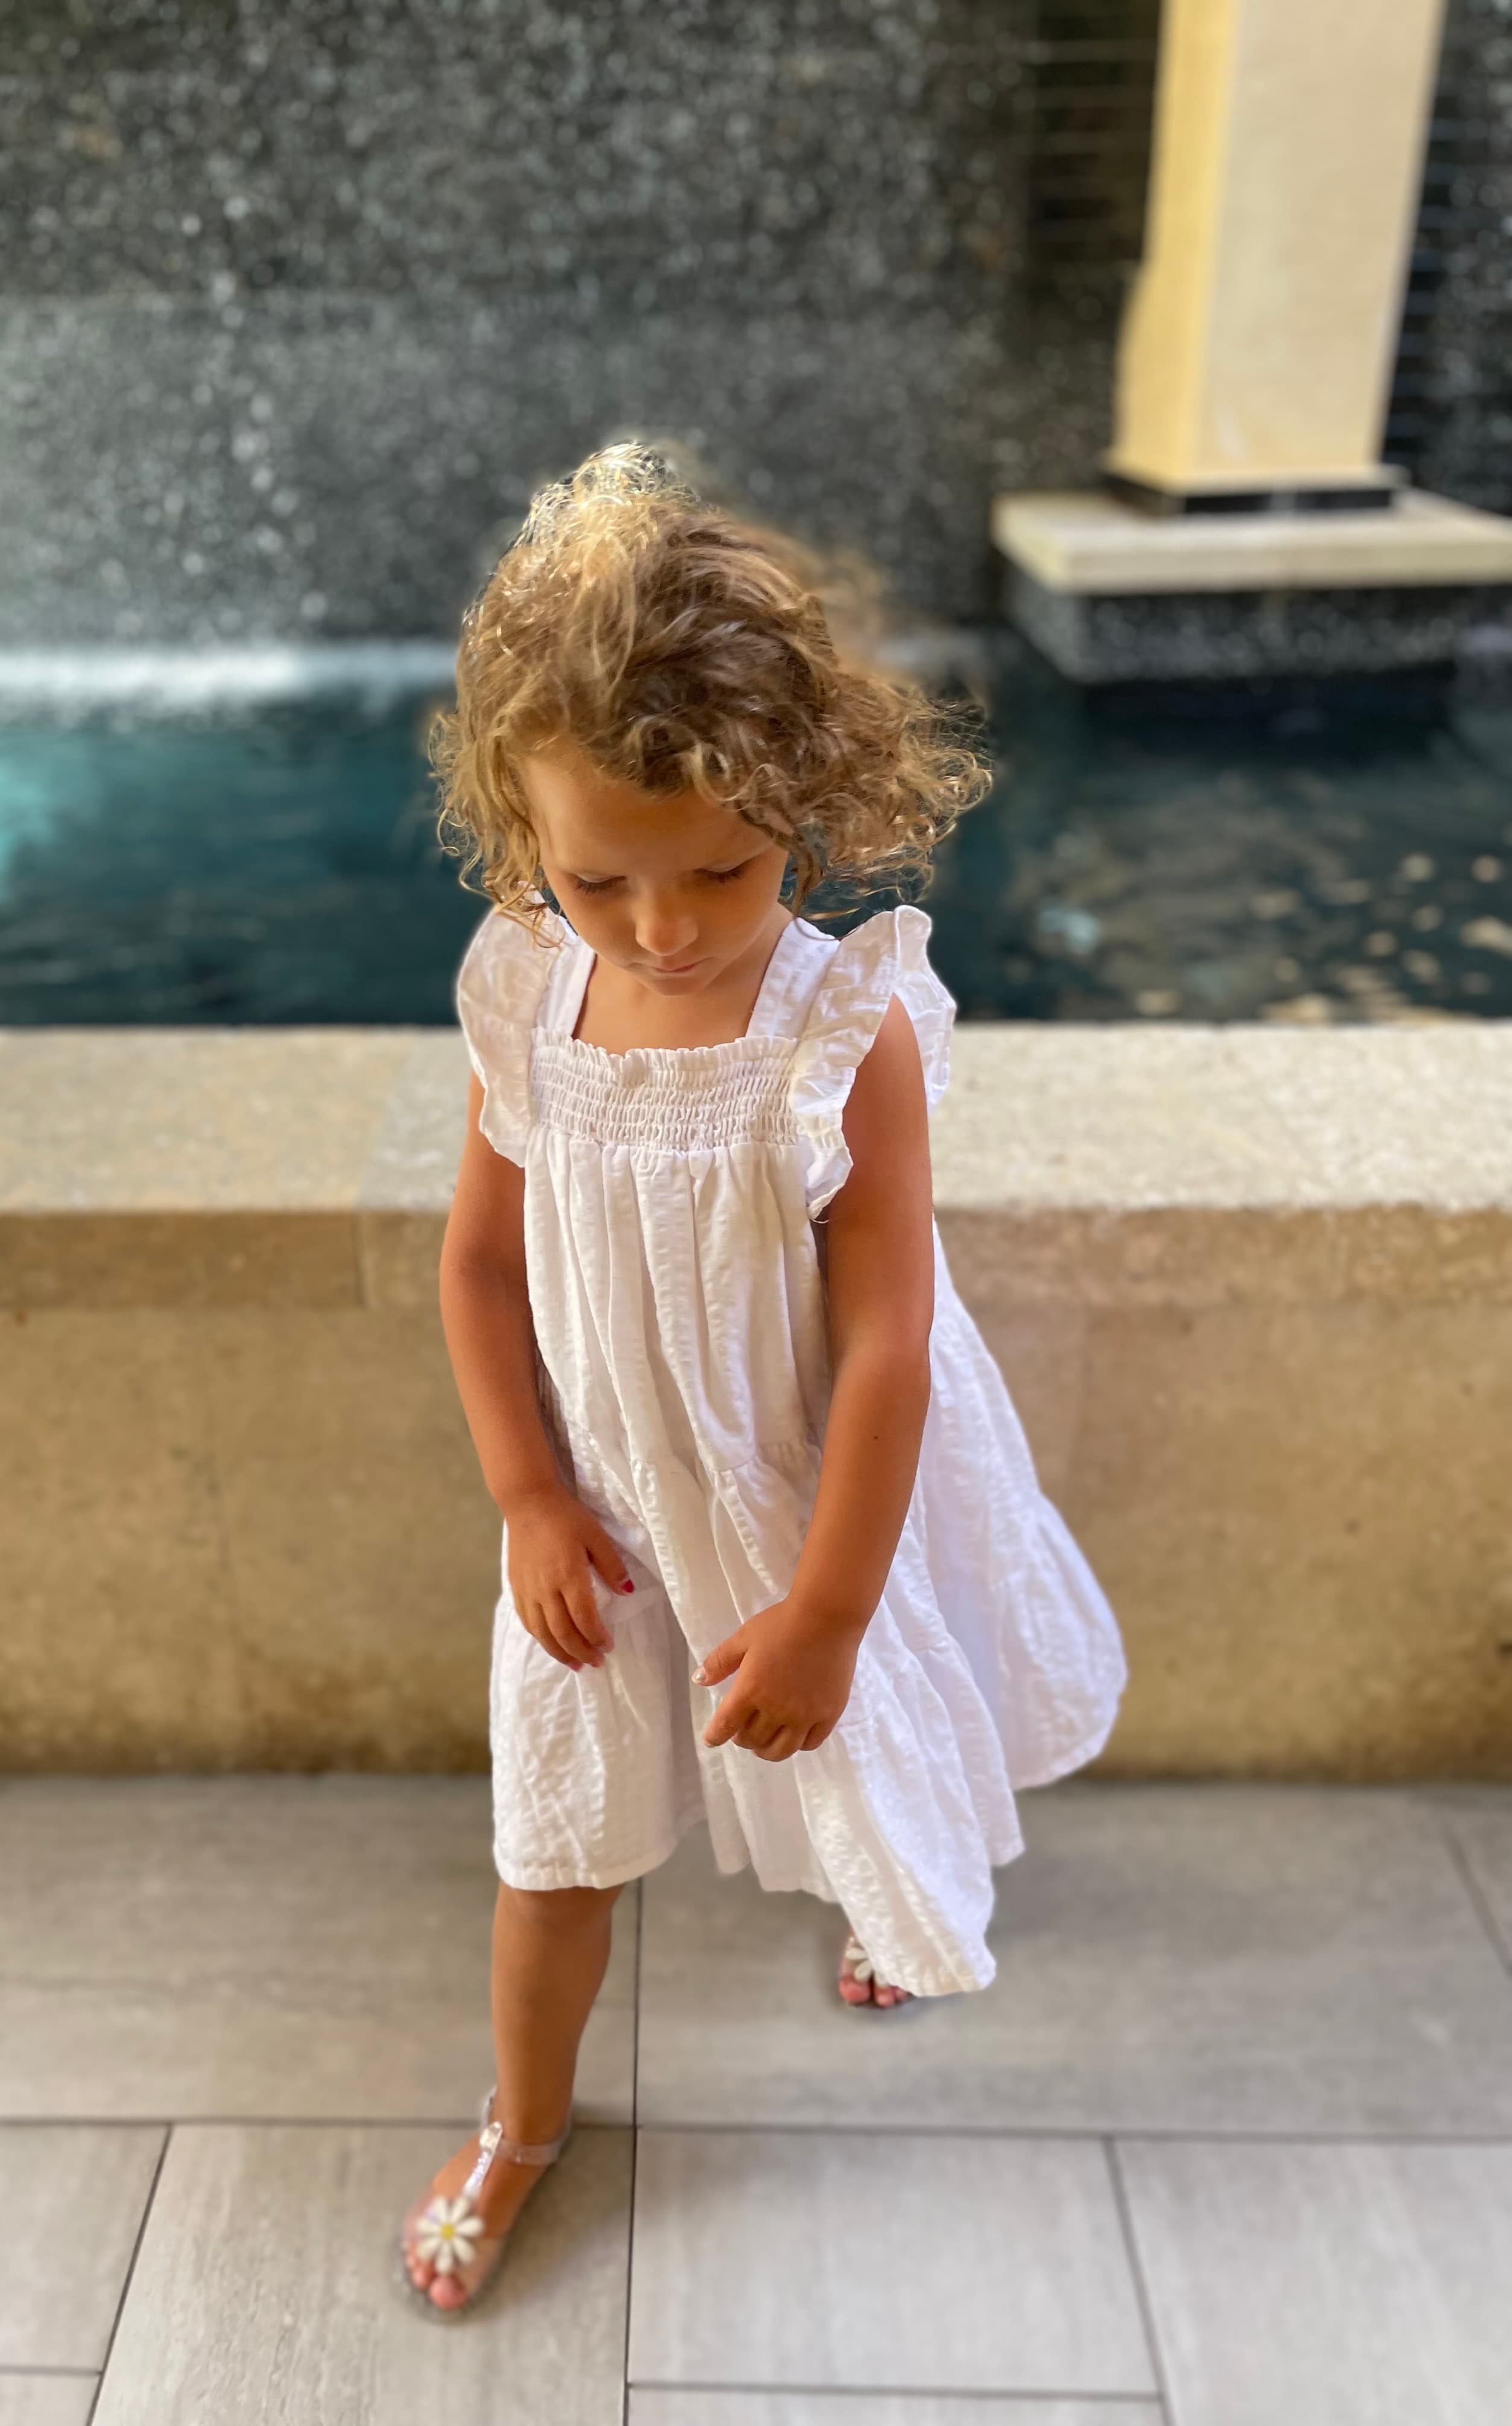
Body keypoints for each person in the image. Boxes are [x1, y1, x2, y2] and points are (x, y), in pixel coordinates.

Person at [398, 444, 1126, 2315]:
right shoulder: (523, 998)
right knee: (553, 1840)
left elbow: (888, 1335)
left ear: (801, 808)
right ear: (520, 837)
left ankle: (887, 1913)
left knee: (863, 1736)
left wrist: (828, 1605)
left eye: (717, 869)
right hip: (601, 1502)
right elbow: (479, 1266)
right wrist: (531, 1497)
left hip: (813, 1492)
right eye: (597, 877)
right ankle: (526, 2122)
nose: (658, 926)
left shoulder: (838, 1028)